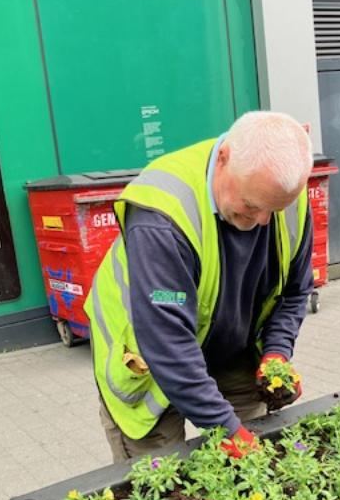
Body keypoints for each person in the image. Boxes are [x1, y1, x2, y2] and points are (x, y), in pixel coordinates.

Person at [85, 110, 314, 461]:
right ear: (224, 159)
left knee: (248, 467)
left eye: (274, 209)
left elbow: (295, 292)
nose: (263, 222)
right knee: (162, 483)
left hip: (231, 348)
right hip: (151, 361)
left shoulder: (281, 194)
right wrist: (227, 428)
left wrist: (276, 354)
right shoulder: (162, 215)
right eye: (252, 206)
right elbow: (168, 342)